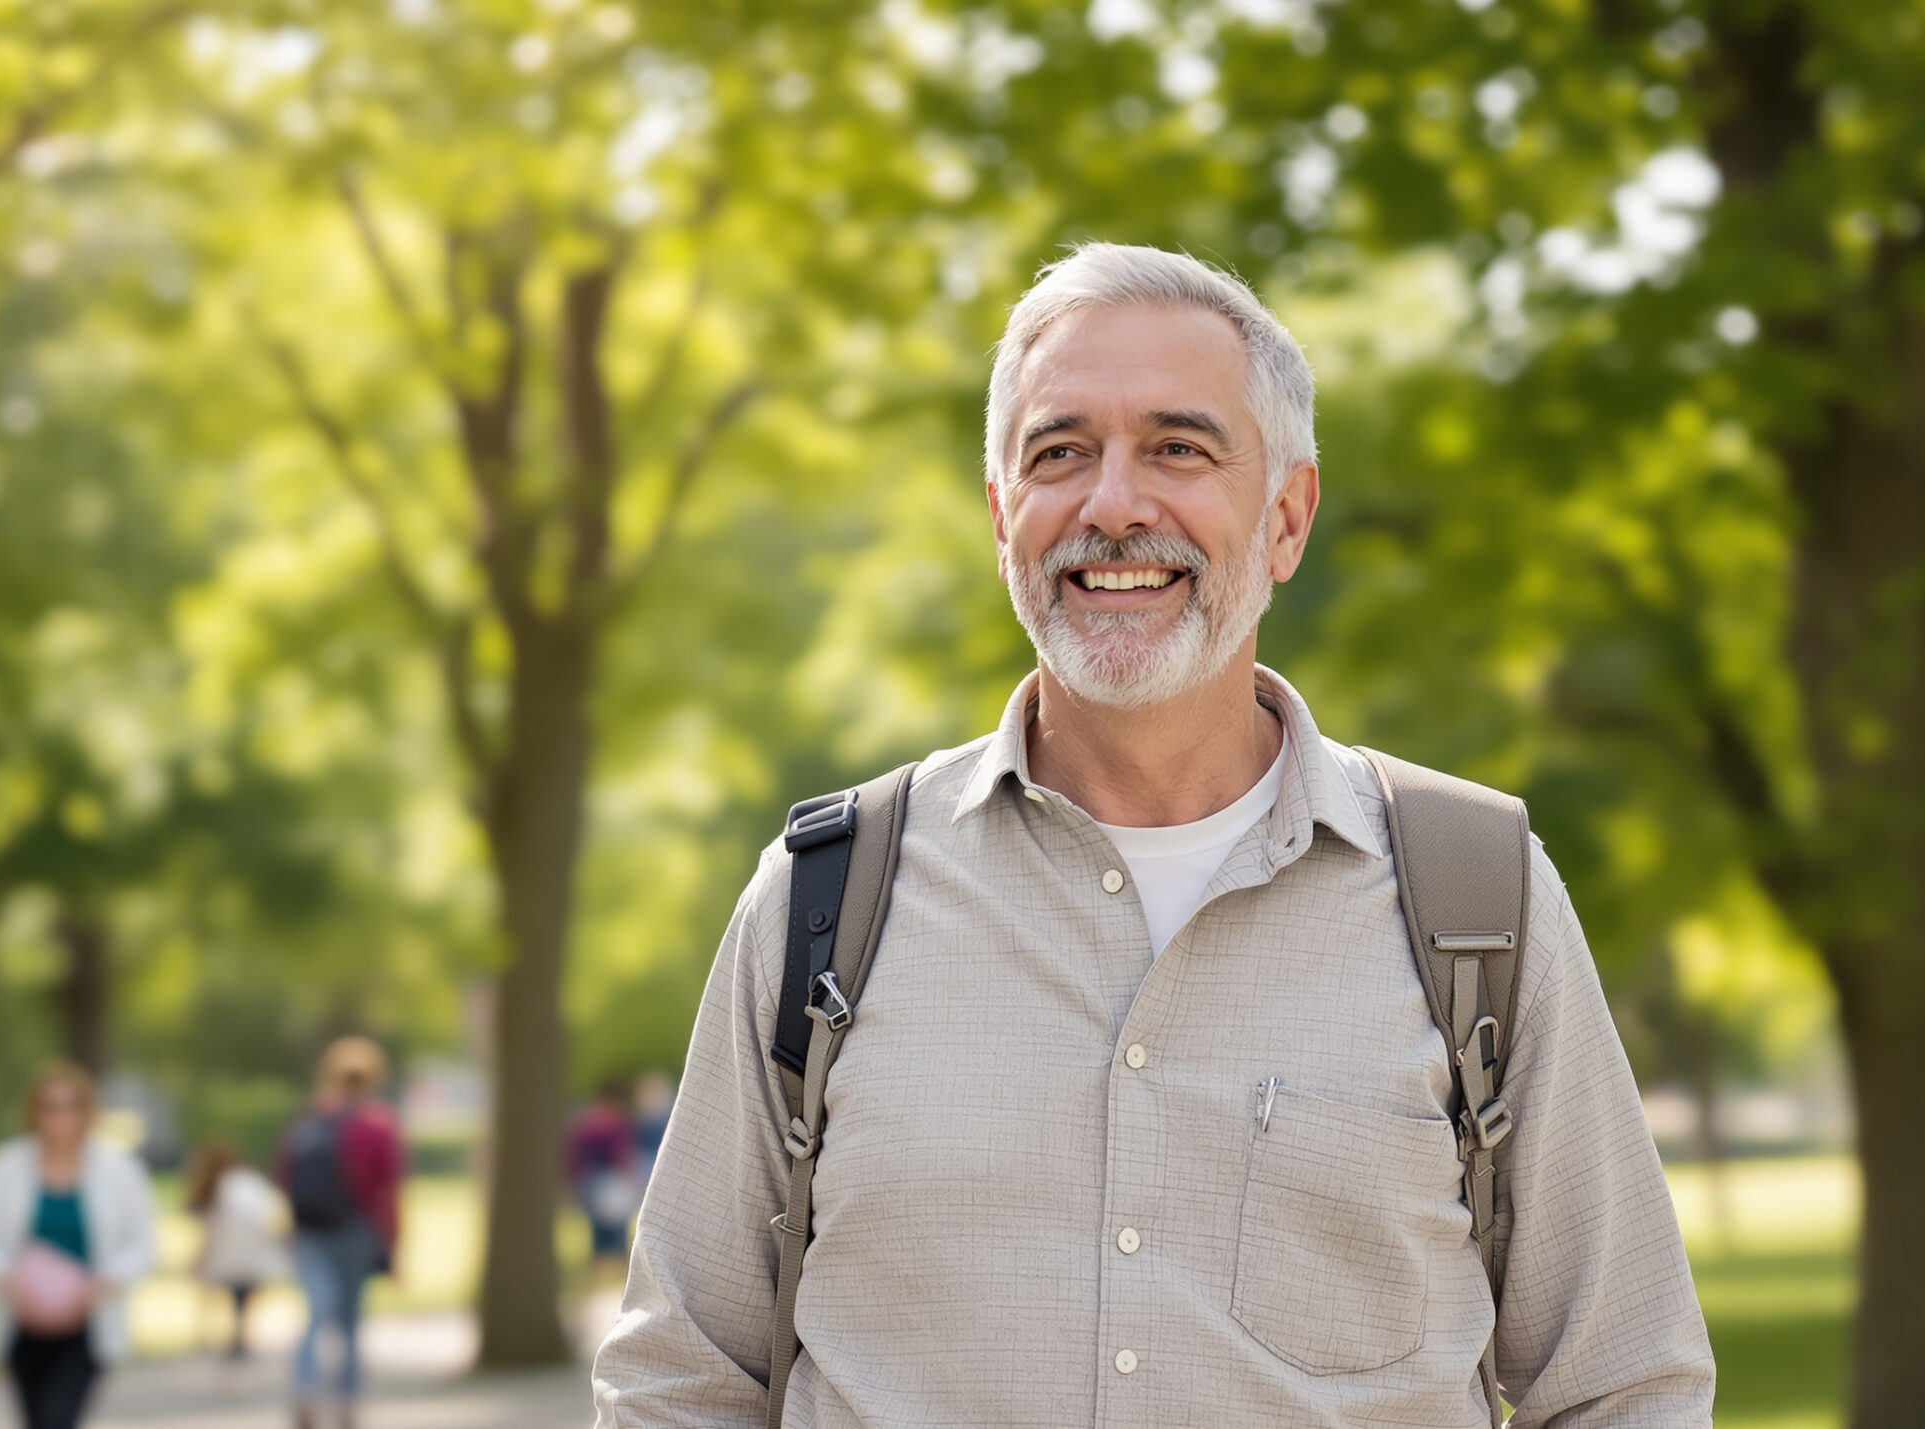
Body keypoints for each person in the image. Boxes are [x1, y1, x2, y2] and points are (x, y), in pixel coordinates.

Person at [592, 244, 1715, 1426]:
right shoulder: (823, 902)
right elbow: (679, 1380)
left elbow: (1620, 1383)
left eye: (1178, 448)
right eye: (1058, 453)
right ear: (1001, 519)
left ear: (1285, 517)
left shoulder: (1476, 903)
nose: (1113, 504)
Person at [0, 1062, 156, 1429]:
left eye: (70, 1106)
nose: (60, 1118)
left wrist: (98, 1287)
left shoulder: (119, 1170)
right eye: (50, 1107)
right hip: (23, 1319)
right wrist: (11, 1285)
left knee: (59, 1419)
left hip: (86, 1321)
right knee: (36, 1419)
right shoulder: (8, 1165)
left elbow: (141, 1244)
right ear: (34, 1112)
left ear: (86, 1112)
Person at [277, 1036, 402, 1429]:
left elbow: (285, 1176)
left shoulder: (312, 1118)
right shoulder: (378, 1124)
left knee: (315, 1314)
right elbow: (389, 1190)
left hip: (312, 1230)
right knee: (349, 1322)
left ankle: (306, 1389)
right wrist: (395, 1245)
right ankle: (346, 1403)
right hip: (357, 1229)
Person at [184, 1138, 289, 1360]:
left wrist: (200, 1259)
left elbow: (213, 1231)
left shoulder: (222, 1187)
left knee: (233, 1301)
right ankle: (237, 1341)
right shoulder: (248, 1183)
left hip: (230, 1257)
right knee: (241, 1301)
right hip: (249, 1255)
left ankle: (231, 1342)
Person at [563, 1082, 639, 1282]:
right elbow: (621, 1154)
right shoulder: (613, 1122)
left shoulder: (585, 1121)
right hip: (604, 1180)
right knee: (616, 1223)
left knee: (598, 1224)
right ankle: (614, 1263)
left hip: (589, 1180)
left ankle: (600, 1265)